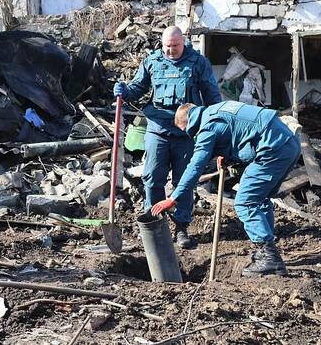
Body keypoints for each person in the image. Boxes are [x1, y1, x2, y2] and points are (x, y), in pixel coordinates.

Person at [151, 101, 301, 276]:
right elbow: (242, 131)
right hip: (289, 144)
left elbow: (195, 166)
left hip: (272, 149)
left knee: (245, 202)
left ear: (188, 123)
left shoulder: (207, 128)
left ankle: (270, 258)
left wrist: (173, 198)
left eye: (185, 131)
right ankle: (266, 253)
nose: (188, 135)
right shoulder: (217, 109)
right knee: (261, 199)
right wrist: (227, 153)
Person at [113, 26, 222, 248]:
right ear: (162, 44)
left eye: (176, 46)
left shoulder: (198, 63)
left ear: (184, 43)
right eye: (167, 47)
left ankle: (182, 228)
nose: (171, 51)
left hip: (186, 132)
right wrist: (123, 90)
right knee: (153, 177)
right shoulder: (152, 62)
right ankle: (154, 225)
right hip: (157, 129)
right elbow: (137, 88)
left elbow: (212, 97)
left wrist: (217, 128)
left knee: (184, 181)